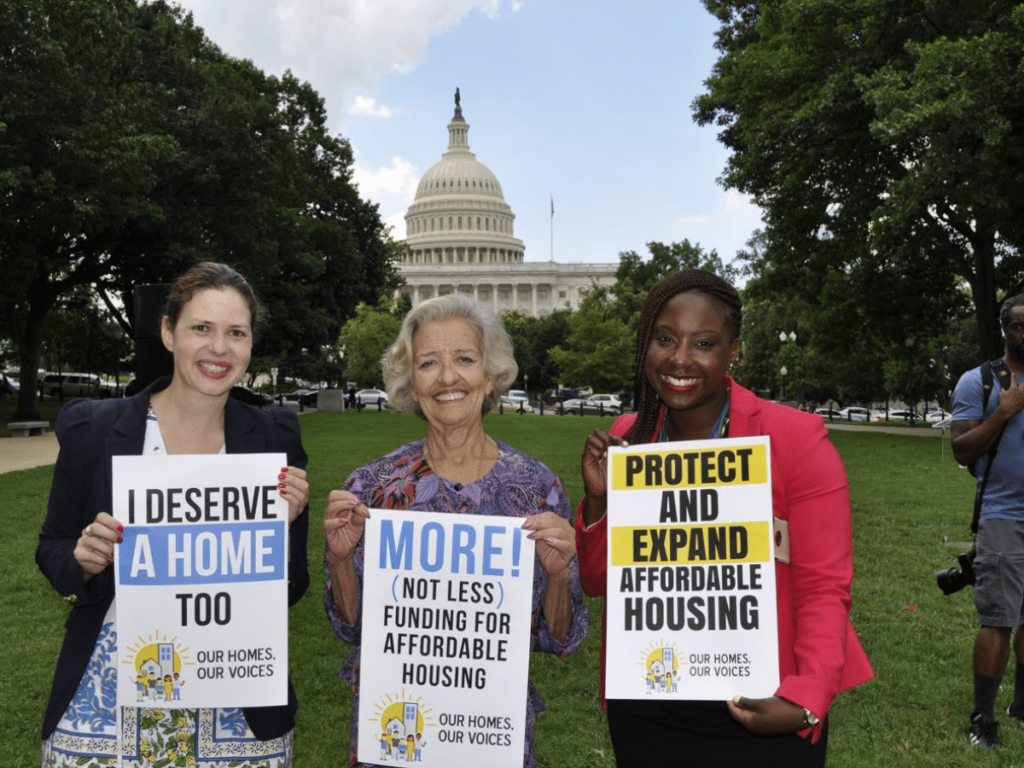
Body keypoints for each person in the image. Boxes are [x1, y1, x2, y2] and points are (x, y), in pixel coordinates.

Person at [575, 269, 873, 768]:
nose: (679, 359)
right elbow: (599, 582)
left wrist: (805, 700)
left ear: (733, 351)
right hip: (650, 705)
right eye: (665, 339)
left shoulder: (797, 442)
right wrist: (600, 502)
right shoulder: (631, 437)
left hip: (764, 705)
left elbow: (825, 586)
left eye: (704, 343)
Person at [37, 262, 310, 767]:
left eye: (236, 333)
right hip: (108, 697)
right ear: (168, 332)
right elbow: (52, 546)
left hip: (237, 701)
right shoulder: (94, 430)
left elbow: (291, 588)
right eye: (201, 328)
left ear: (251, 344)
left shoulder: (275, 438)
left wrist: (284, 526)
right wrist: (83, 559)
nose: (219, 349)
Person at [323, 292, 589, 768]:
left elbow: (560, 640)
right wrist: (342, 561)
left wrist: (556, 575)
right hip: (396, 736)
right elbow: (352, 628)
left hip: (493, 736)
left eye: (464, 359)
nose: (448, 377)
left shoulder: (537, 489)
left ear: (490, 377)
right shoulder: (371, 489)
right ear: (412, 383)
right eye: (428, 363)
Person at [951, 293, 1024, 749]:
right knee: (999, 620)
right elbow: (962, 449)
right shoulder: (978, 381)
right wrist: (1003, 411)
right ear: (1004, 329)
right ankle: (985, 717)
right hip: (1003, 516)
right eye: (1019, 325)